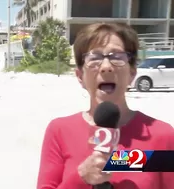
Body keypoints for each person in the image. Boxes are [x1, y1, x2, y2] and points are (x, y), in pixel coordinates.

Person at [37, 23, 174, 189]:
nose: (106, 67)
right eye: (95, 58)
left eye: (117, 57)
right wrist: (81, 177)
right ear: (80, 76)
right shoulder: (60, 131)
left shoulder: (162, 135)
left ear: (132, 73)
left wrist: (117, 162)